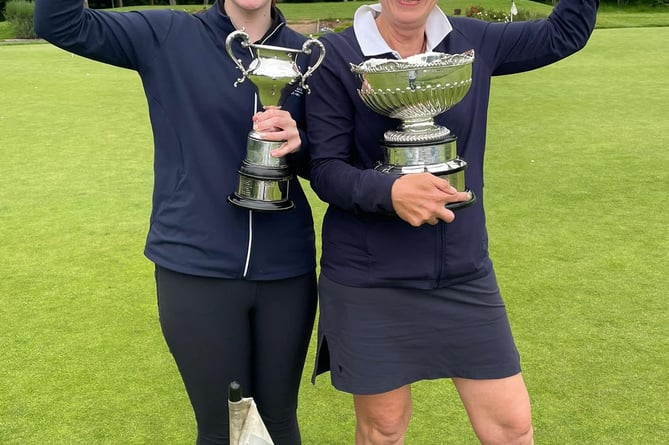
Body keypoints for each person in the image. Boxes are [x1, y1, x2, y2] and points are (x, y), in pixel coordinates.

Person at [305, 0, 598, 444]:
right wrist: (389, 192)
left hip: (463, 273)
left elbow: (563, 34)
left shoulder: (472, 41)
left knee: (511, 427)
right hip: (370, 279)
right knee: (383, 429)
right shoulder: (335, 55)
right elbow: (325, 168)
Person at [33, 1, 318, 444]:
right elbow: (60, 22)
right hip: (195, 266)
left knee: (278, 421)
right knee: (223, 428)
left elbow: (328, 162)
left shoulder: (306, 54)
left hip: (288, 269)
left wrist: (299, 144)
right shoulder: (168, 34)